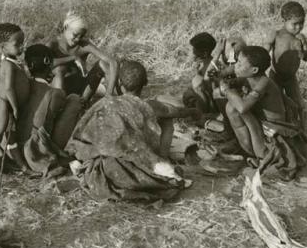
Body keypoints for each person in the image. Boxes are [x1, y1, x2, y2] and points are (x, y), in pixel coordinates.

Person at [67, 60, 199, 201]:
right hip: (131, 169)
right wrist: (194, 111)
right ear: (146, 83)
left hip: (101, 166)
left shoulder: (104, 103)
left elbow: (80, 132)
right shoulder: (149, 106)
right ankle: (162, 159)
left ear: (120, 84)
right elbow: (177, 112)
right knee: (167, 119)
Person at [221, 46, 307, 180]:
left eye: (239, 63)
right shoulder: (250, 77)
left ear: (254, 70)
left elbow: (243, 107)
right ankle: (249, 151)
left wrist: (227, 90)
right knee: (232, 104)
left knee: (234, 107)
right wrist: (222, 79)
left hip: (273, 133)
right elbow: (227, 77)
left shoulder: (264, 82)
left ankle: (260, 155)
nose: (235, 67)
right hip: (263, 126)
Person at [17, 44, 82, 177]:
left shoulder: (23, 85)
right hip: (36, 151)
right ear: (49, 63)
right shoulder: (54, 93)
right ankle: (54, 156)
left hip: (17, 148)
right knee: (74, 100)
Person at [46, 11, 119, 104]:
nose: (77, 39)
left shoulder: (83, 45)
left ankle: (110, 101)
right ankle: (59, 106)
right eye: (75, 35)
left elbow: (113, 62)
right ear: (65, 28)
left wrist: (109, 94)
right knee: (60, 69)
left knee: (103, 64)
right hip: (58, 91)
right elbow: (43, 63)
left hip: (81, 91)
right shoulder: (53, 44)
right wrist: (73, 58)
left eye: (81, 36)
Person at [0, 23, 30, 179]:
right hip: (2, 105)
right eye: (17, 44)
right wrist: (15, 106)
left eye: (22, 43)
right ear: (2, 47)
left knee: (10, 136)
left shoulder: (13, 62)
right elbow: (9, 88)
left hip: (8, 106)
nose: (21, 47)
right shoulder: (7, 65)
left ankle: (18, 163)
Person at [264, 1, 307, 130]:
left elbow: (306, 58)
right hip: (275, 76)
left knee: (300, 105)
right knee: (278, 105)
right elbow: (263, 53)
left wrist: (304, 48)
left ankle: (303, 132)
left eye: (302, 23)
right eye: (294, 24)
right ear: (283, 20)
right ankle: (282, 129)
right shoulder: (276, 35)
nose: (299, 27)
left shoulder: (300, 38)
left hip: (290, 78)